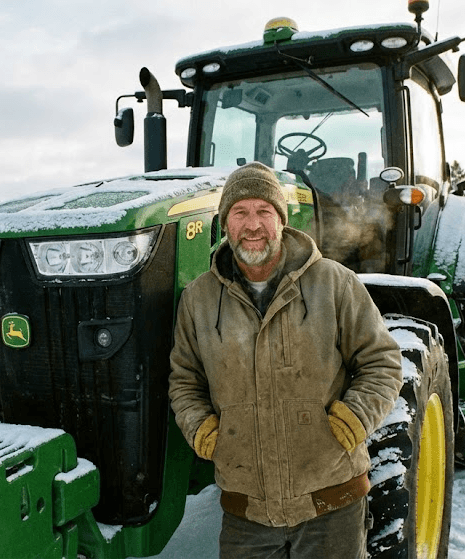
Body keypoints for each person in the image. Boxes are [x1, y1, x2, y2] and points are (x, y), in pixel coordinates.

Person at [168, 161, 403, 558]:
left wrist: (356, 416)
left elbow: (383, 361)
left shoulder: (334, 283)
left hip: (333, 505)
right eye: (240, 212)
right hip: (247, 513)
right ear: (225, 223)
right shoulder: (198, 300)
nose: (252, 224)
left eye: (263, 211)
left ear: (282, 219)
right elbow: (184, 382)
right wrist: (200, 429)